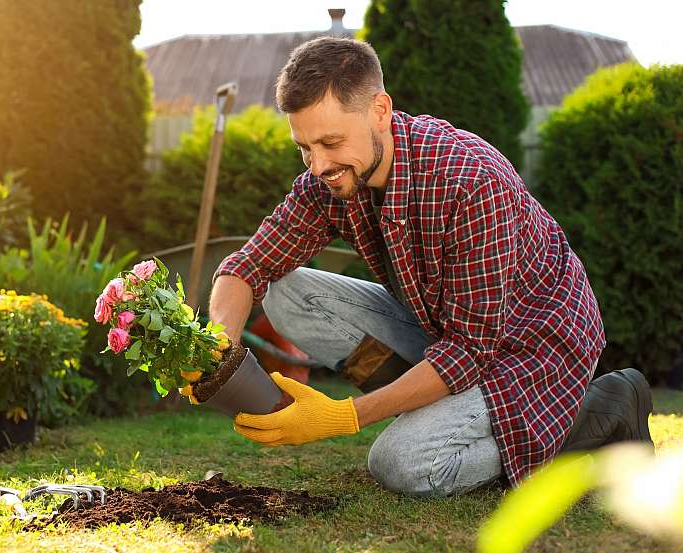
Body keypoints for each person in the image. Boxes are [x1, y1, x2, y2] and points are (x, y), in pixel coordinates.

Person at [206, 37, 654, 496]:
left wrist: (342, 417)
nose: (318, 164)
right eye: (304, 147)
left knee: (403, 464)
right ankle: (431, 407)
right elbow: (248, 265)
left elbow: (469, 350)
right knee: (289, 293)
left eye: (331, 142)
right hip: (447, 330)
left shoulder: (470, 181)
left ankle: (599, 407)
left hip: (533, 347)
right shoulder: (335, 176)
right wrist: (217, 344)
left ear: (380, 110)